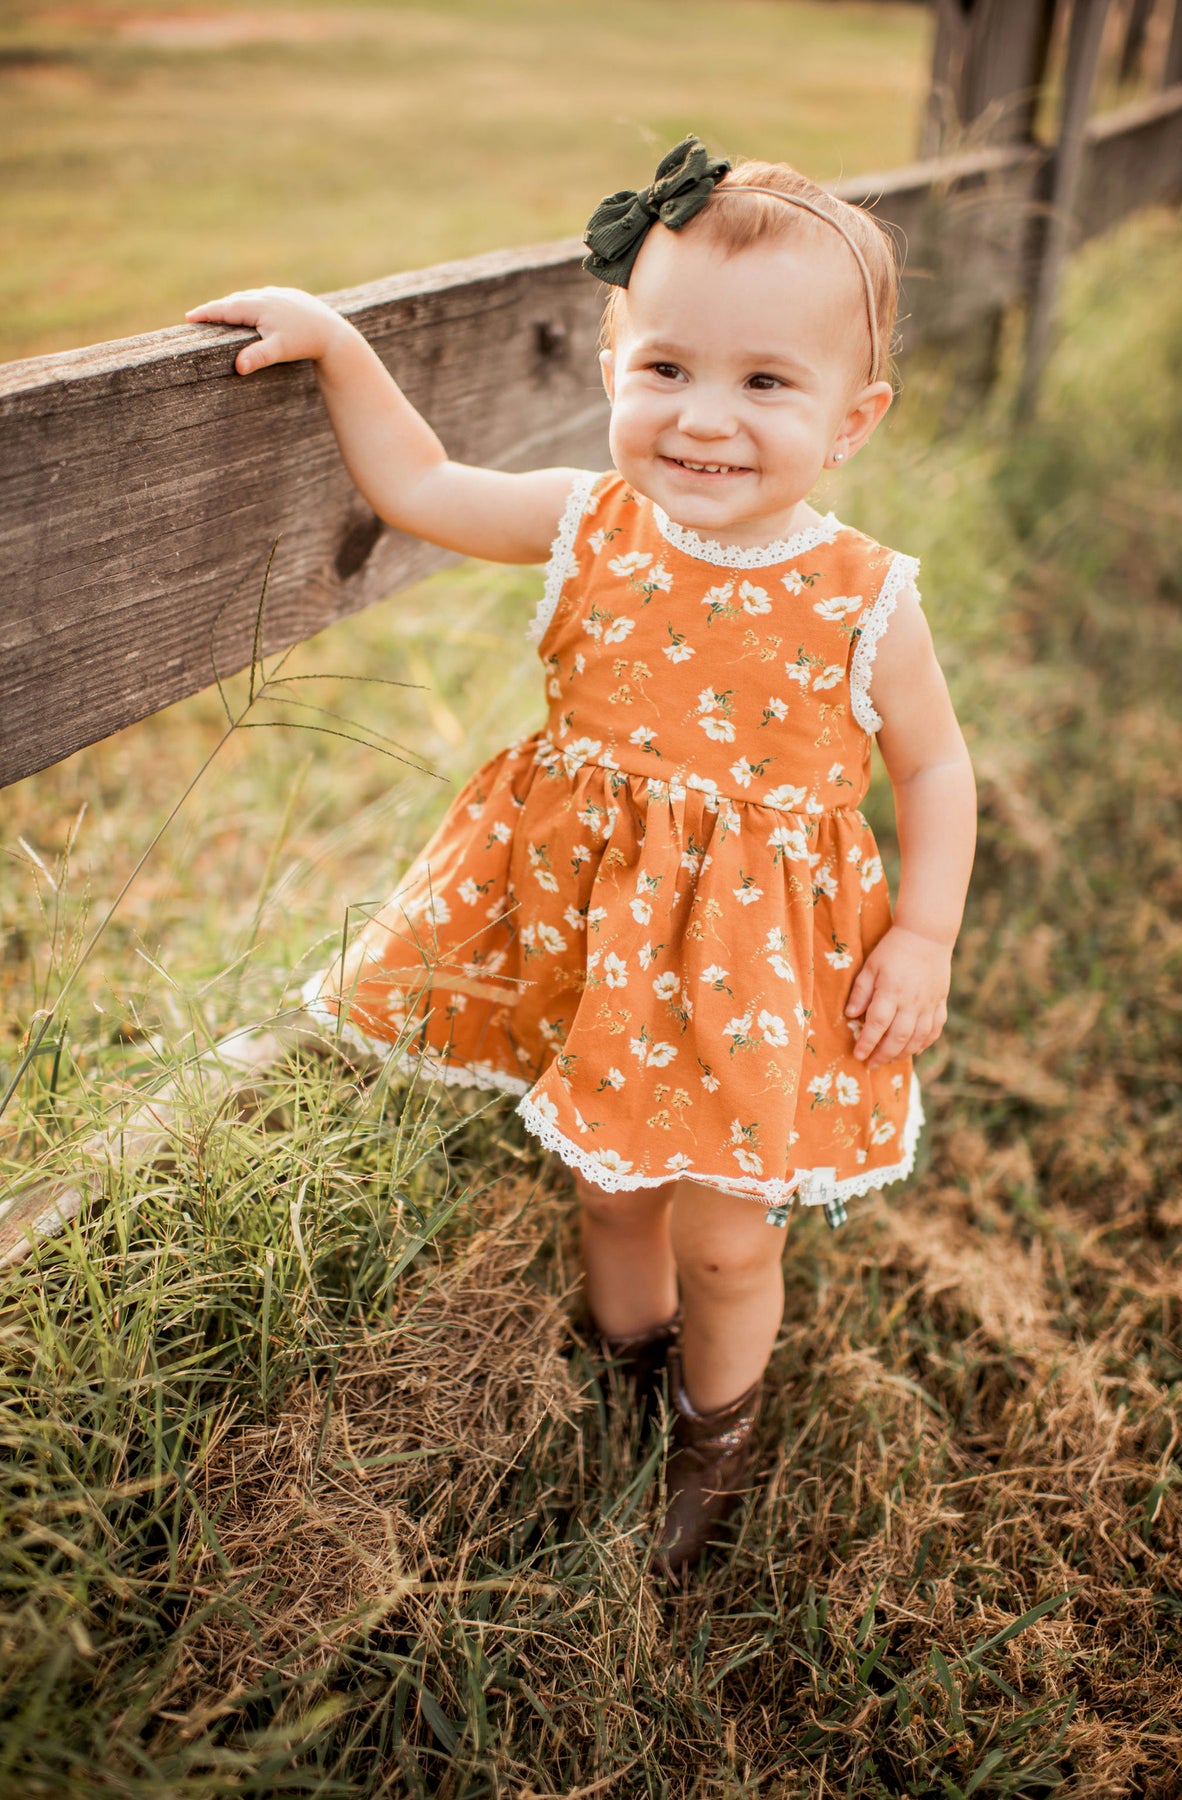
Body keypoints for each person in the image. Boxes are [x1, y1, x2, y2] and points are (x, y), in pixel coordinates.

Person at [186, 138, 976, 1573]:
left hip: (758, 967)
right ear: (614, 355)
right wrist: (340, 345)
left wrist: (920, 933)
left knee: (731, 1235)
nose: (705, 422)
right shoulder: (583, 524)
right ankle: (629, 1367)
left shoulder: (866, 598)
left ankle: (712, 1435)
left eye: (766, 384)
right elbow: (420, 484)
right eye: (666, 368)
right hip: (601, 935)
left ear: (853, 420)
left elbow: (933, 766)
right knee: (610, 1185)